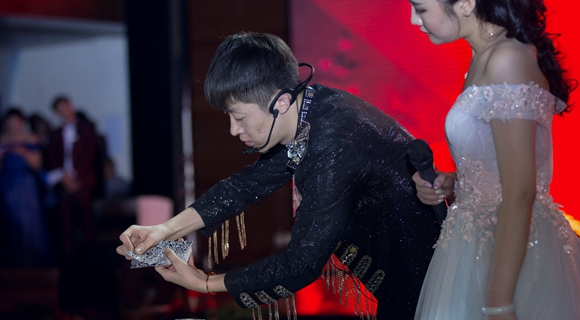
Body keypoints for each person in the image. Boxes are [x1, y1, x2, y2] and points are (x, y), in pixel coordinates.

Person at [117, 32, 440, 320]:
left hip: (425, 284)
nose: (233, 130)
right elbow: (246, 186)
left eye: (239, 117)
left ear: (281, 102)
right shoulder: (312, 107)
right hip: (410, 278)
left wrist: (204, 283)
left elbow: (300, 263)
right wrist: (163, 230)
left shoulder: (333, 142)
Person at [396, 0, 580, 319]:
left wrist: (499, 301)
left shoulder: (506, 59)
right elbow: (497, 171)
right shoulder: (483, 58)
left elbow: (520, 191)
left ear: (465, 3)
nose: (413, 20)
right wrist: (453, 183)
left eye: (420, 8)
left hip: (514, 260)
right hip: (477, 249)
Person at [0, 108, 55, 267]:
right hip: (8, 186)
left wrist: (20, 150)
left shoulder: (31, 139)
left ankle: (36, 265)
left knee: (31, 224)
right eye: (10, 122)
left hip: (27, 185)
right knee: (11, 224)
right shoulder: (3, 140)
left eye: (16, 122)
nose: (13, 125)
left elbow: (37, 164)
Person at [47, 96, 99, 257]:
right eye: (59, 109)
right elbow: (52, 158)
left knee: (86, 220)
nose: (63, 111)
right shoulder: (55, 134)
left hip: (82, 179)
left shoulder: (87, 128)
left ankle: (91, 255)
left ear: (70, 106)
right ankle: (70, 258)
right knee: (66, 222)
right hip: (64, 181)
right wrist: (64, 177)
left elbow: (90, 154)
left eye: (64, 107)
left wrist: (74, 174)